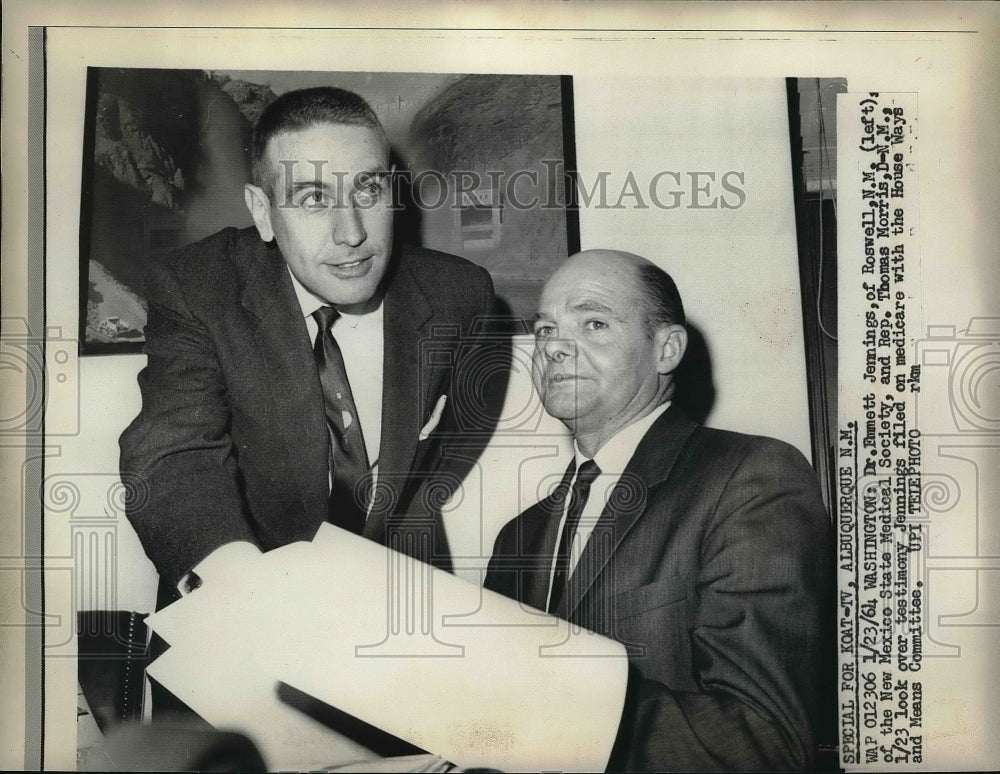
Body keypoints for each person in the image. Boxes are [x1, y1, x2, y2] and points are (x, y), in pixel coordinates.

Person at [120, 86, 498, 633]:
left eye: (368, 190)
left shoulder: (459, 294)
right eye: (314, 198)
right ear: (263, 211)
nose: (352, 235)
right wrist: (242, 588)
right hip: (239, 610)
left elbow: (456, 432)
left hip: (394, 609)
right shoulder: (198, 287)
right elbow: (171, 451)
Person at [485, 250, 834, 771]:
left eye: (594, 322)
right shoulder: (518, 534)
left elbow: (766, 741)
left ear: (666, 348)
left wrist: (547, 705)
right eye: (544, 330)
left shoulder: (751, 478)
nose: (555, 347)